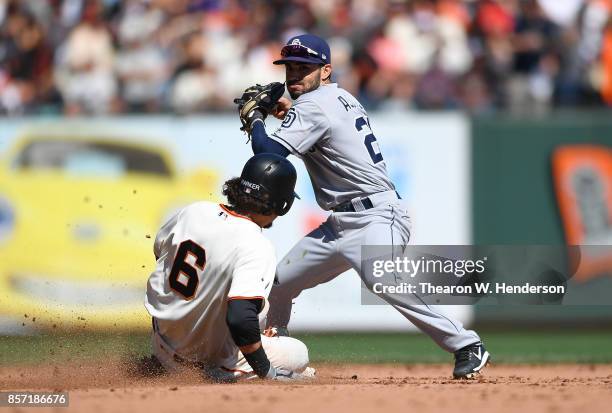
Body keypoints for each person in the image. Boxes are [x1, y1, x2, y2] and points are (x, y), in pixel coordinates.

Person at [236, 34, 491, 379]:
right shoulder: (336, 98)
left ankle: (467, 344)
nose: (294, 75)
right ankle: (273, 351)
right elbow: (314, 128)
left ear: (325, 70)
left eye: (304, 68)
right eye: (290, 68)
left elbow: (269, 155)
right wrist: (282, 113)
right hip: (340, 223)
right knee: (280, 283)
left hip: (375, 215)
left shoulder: (314, 106)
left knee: (382, 279)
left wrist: (256, 119)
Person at [144, 153, 314, 382]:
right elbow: (240, 318)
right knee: (298, 352)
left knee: (228, 304)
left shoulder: (194, 211)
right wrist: (267, 372)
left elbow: (160, 252)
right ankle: (222, 371)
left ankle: (179, 359)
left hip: (162, 344)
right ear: (281, 204)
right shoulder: (256, 244)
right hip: (207, 359)